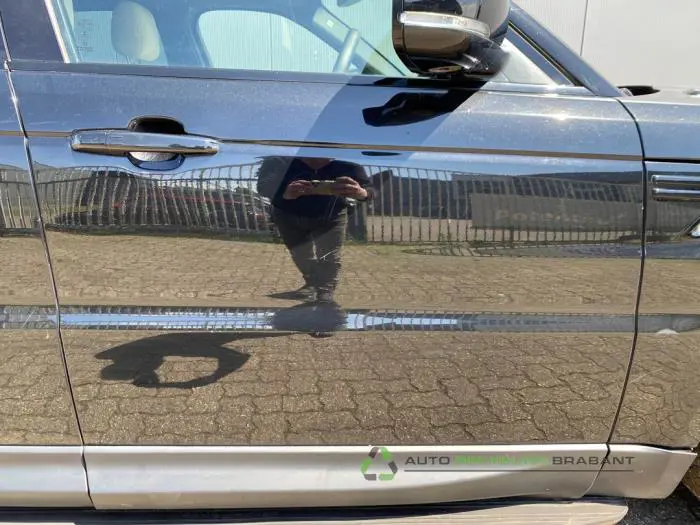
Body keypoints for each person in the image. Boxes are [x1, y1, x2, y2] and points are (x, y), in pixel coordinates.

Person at [257, 156, 373, 303]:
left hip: (331, 215)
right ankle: (313, 284)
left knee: (329, 255)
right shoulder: (279, 161)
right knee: (300, 253)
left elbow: (371, 189)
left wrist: (361, 193)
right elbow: (263, 187)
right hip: (287, 214)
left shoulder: (347, 164)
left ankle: (325, 291)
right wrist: (285, 193)